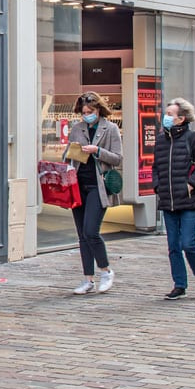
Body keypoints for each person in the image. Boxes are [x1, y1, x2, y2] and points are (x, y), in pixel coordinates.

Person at [152, 97, 195, 300]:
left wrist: (191, 183)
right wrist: (157, 186)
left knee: (188, 243)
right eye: (166, 114)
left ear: (181, 119)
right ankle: (179, 284)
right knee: (173, 246)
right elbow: (156, 167)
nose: (165, 117)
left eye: (170, 115)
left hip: (189, 200)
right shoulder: (161, 139)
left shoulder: (192, 139)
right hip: (168, 199)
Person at [65, 91, 123, 295]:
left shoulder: (110, 129)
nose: (86, 115)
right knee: (82, 234)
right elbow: (68, 155)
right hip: (78, 184)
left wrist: (97, 151)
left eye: (90, 111)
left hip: (98, 186)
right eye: (84, 112)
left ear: (98, 110)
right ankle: (88, 279)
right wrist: (72, 154)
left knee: (91, 231)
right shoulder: (77, 129)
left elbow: (117, 158)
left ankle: (106, 270)